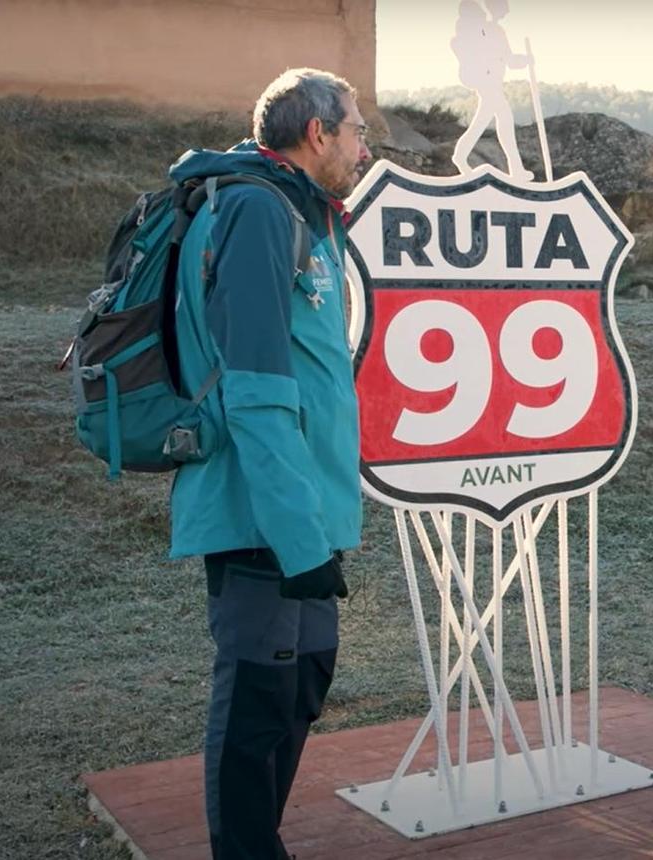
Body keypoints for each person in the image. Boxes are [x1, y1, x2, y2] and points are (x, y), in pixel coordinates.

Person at [168, 68, 371, 858]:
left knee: (303, 677)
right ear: (317, 132)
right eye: (356, 130)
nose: (362, 147)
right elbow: (253, 389)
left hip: (300, 511)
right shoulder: (255, 210)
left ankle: (259, 840)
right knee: (259, 690)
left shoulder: (297, 212)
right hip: (259, 510)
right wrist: (298, 539)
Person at [450, 0, 534, 180]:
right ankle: (516, 169)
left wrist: (525, 60)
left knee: (484, 123)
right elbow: (474, 59)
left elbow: (510, 60)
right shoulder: (470, 35)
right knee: (504, 122)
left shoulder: (496, 32)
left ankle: (461, 155)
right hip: (486, 82)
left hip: (494, 82)